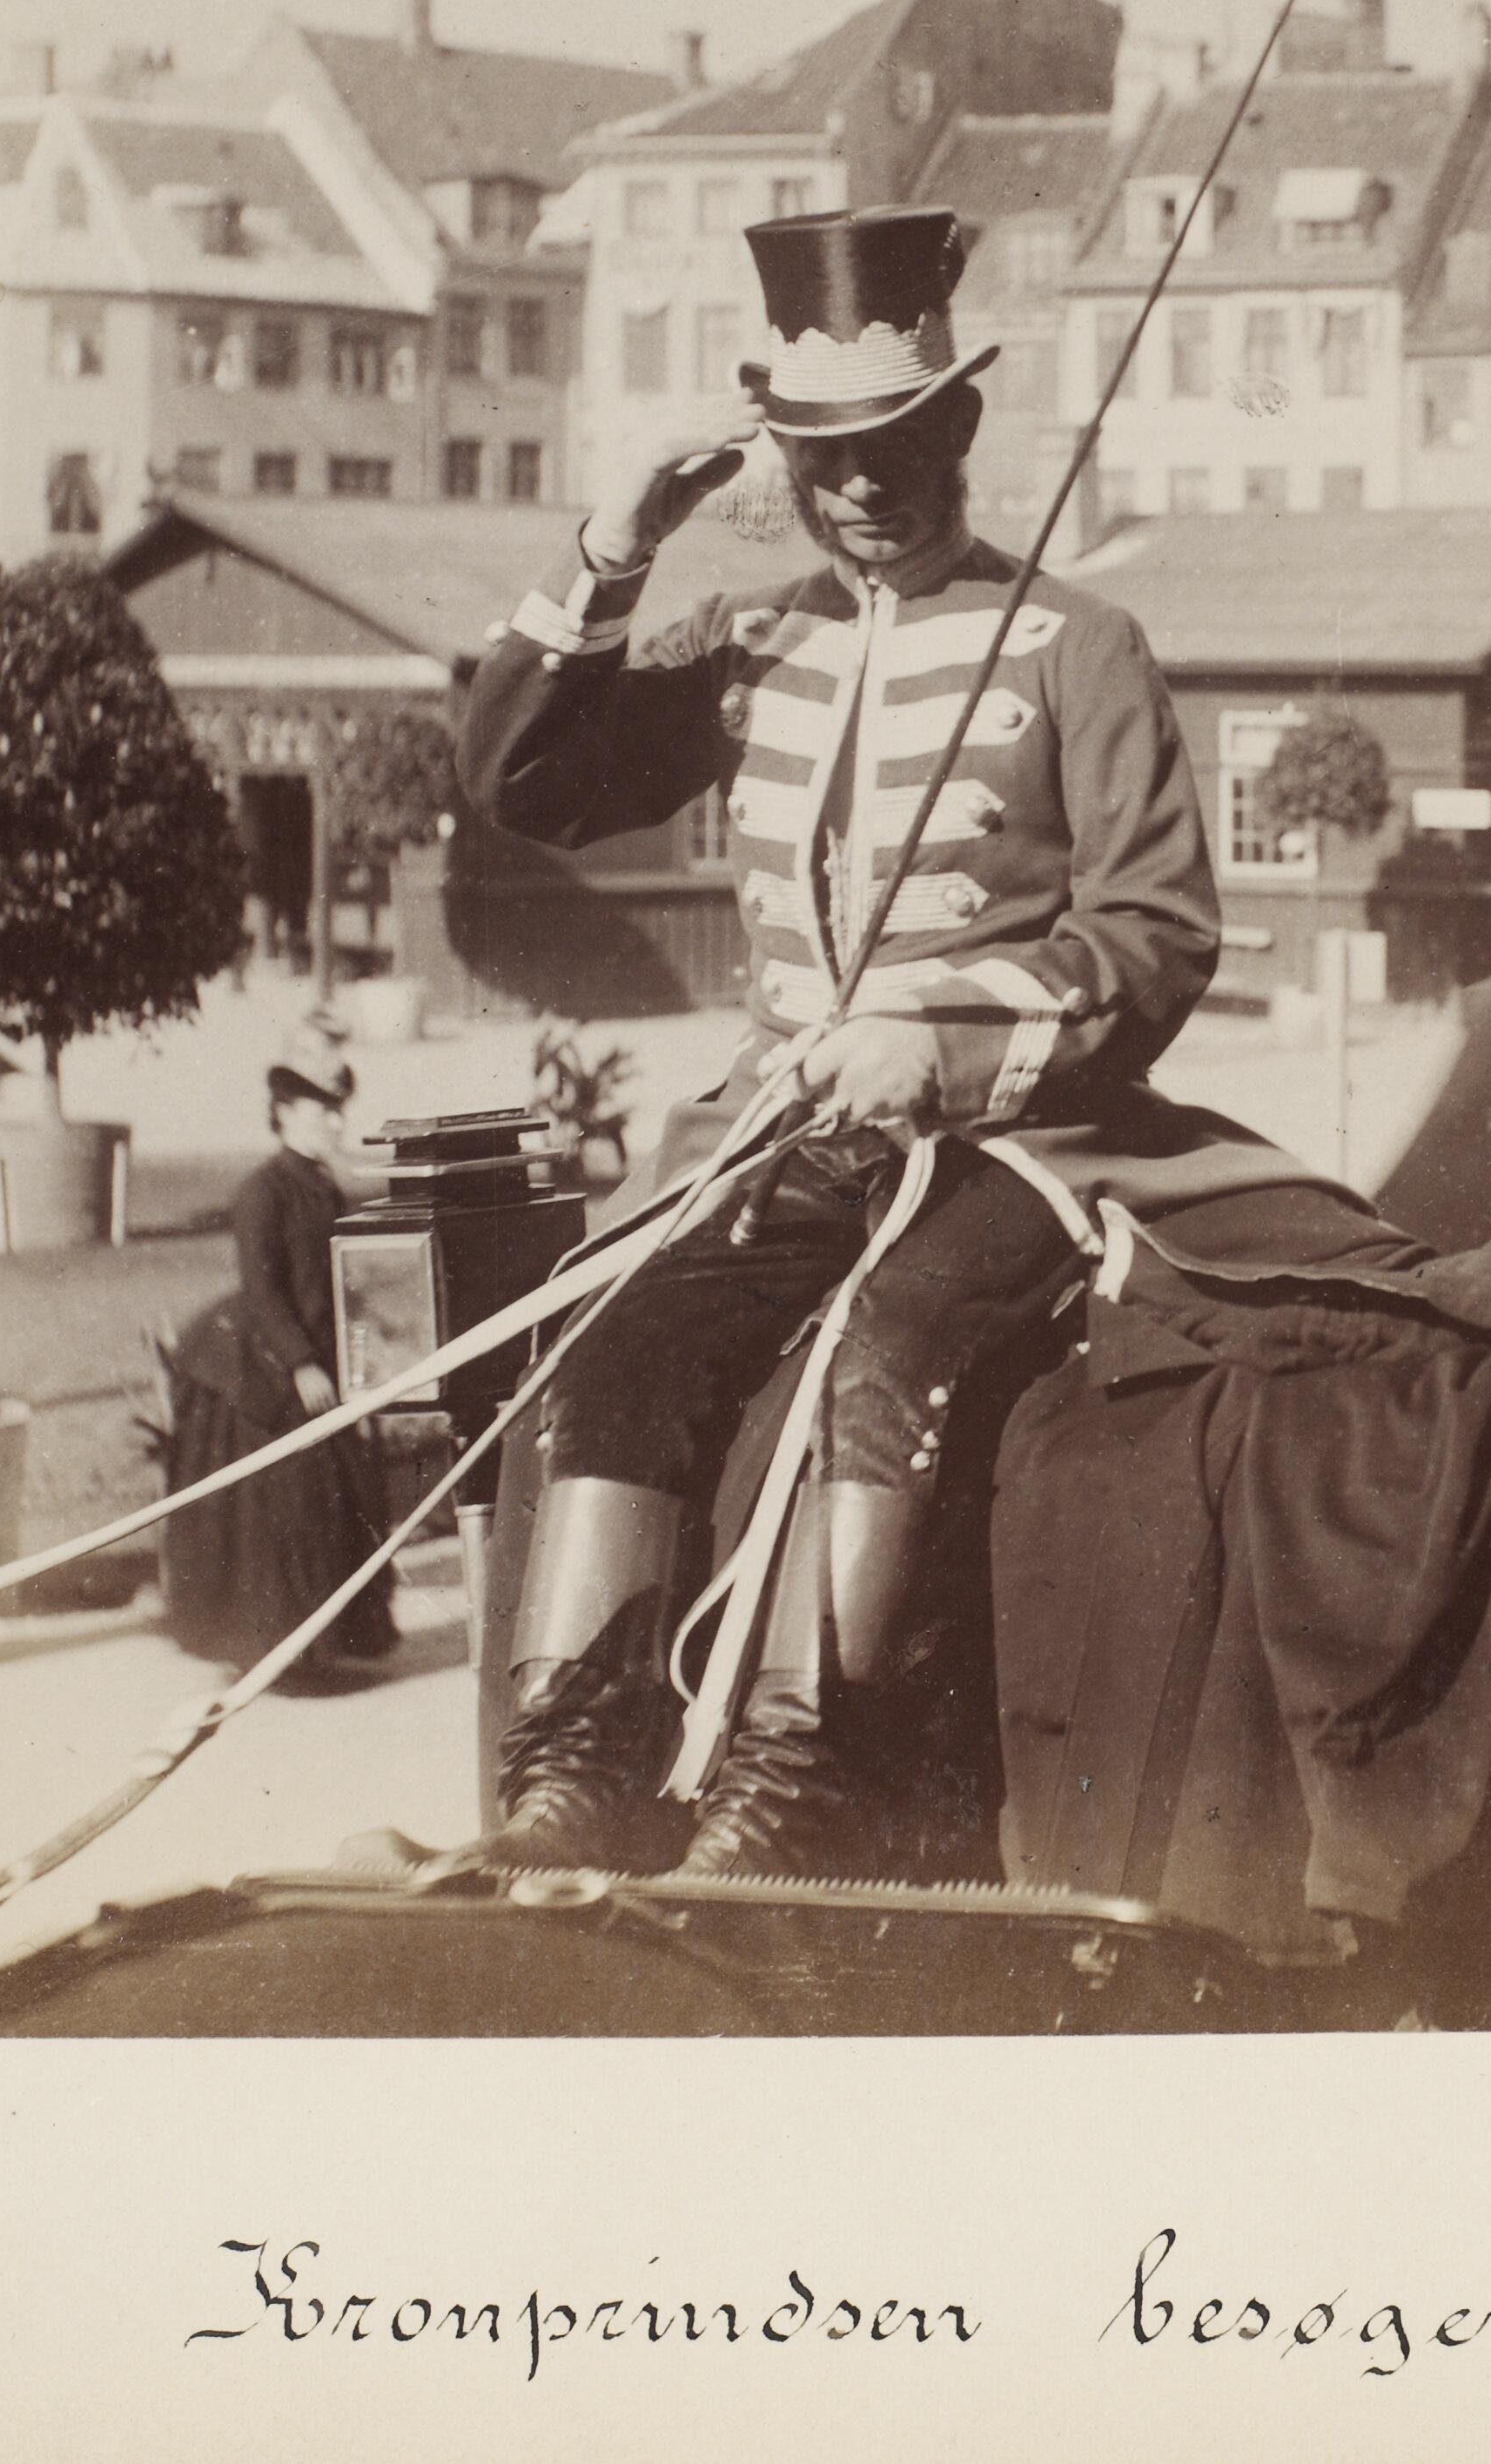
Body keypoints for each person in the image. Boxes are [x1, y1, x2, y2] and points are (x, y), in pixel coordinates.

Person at [453, 204, 1229, 1882]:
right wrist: (614, 541)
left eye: (896, 440)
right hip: (787, 1127)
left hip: (1017, 1135)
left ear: (960, 427)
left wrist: (936, 1042)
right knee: (620, 1333)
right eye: (824, 451)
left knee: (886, 1339)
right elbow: (523, 781)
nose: (863, 482)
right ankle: (568, 1767)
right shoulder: (753, 639)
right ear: (785, 459)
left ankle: (804, 1772)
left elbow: (1158, 933)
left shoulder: (1078, 645)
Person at [158, 1024, 399, 1685]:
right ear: (287, 1112)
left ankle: (326, 1645)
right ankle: (282, 1654)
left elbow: (331, 1280)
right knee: (285, 1505)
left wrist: (362, 1337)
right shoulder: (262, 1191)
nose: (336, 1122)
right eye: (324, 1110)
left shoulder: (323, 1188)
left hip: (316, 1352)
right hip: (264, 1365)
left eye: (339, 1109)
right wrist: (301, 1362)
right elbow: (263, 1291)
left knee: (332, 1497)